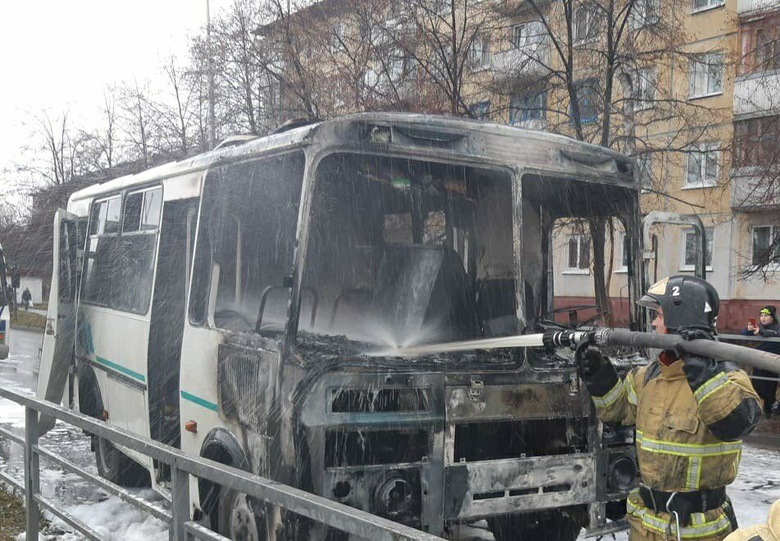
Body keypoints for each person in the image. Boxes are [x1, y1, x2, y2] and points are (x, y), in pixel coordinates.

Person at [576, 275, 762, 541]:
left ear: (680, 319)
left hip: (697, 532)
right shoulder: (650, 375)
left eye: (660, 315)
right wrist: (598, 375)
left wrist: (703, 374)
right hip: (646, 526)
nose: (653, 323)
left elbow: (737, 423)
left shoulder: (728, 377)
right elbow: (617, 411)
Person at [741, 305, 780, 417]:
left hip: (772, 362)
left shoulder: (777, 327)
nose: (763, 318)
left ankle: (769, 409)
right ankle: (772, 404)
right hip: (759, 361)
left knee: (770, 386)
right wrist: (748, 330)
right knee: (758, 385)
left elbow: (775, 333)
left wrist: (761, 332)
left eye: (766, 316)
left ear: (772, 317)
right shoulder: (758, 326)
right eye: (761, 315)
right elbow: (743, 334)